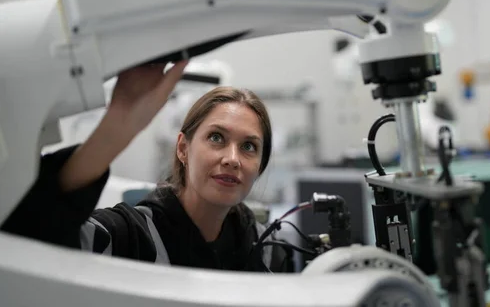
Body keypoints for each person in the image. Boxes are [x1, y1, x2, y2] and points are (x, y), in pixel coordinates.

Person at [1, 61, 282, 271]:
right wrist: (117, 126)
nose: (232, 158)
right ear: (183, 149)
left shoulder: (264, 246)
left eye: (249, 146)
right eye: (216, 137)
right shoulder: (128, 237)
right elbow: (31, 233)